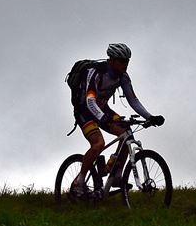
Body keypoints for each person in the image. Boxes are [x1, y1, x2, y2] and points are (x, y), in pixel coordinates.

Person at [70, 42, 164, 200]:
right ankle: (79, 180)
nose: (125, 64)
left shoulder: (123, 77)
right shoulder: (95, 73)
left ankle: (117, 174)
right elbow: (90, 101)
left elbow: (133, 101)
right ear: (111, 60)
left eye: (127, 61)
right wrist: (101, 117)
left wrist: (150, 117)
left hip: (102, 109)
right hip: (84, 110)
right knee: (98, 144)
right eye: (122, 61)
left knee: (126, 133)